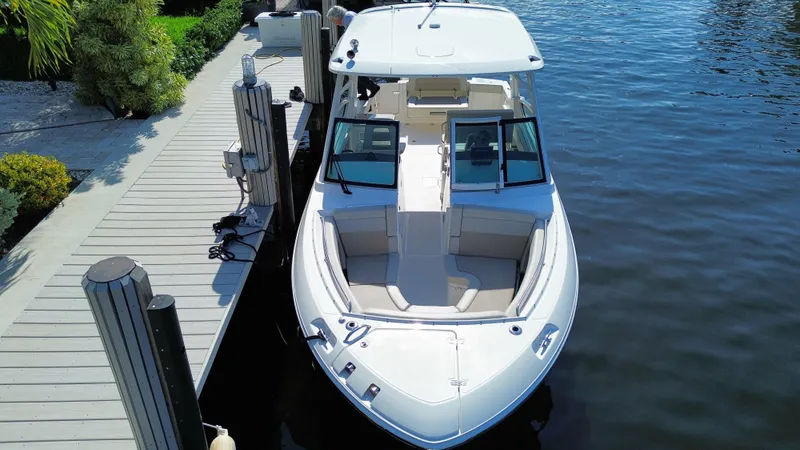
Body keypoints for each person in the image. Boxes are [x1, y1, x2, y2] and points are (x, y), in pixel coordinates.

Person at [327, 6, 381, 101]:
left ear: (337, 17)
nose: (334, 23)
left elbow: (356, 33)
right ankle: (363, 93)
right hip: (361, 45)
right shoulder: (348, 16)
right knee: (356, 69)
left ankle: (373, 87)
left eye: (333, 20)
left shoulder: (348, 18)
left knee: (355, 69)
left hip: (361, 46)